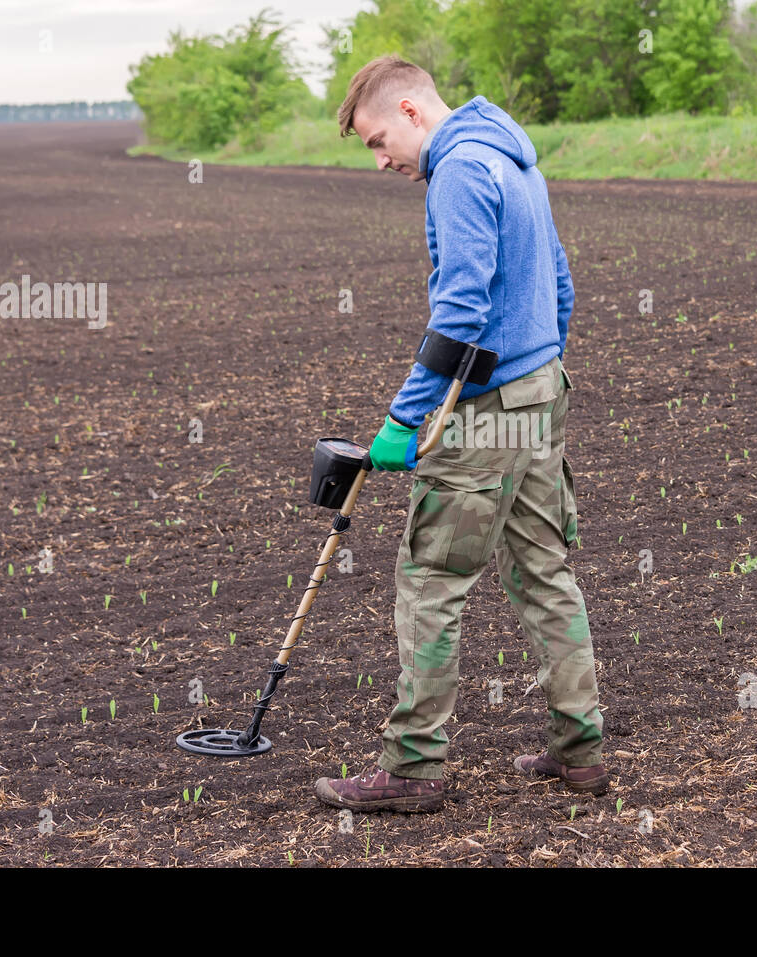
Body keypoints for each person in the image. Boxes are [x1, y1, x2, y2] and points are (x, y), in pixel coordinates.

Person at [315, 54, 607, 813]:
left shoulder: (459, 173)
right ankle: (581, 753)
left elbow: (460, 313)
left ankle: (413, 768)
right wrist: (538, 367)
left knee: (431, 584)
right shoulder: (514, 158)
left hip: (492, 414)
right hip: (543, 395)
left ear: (412, 111)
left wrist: (401, 421)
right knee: (544, 572)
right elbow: (560, 281)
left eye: (380, 140)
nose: (381, 161)